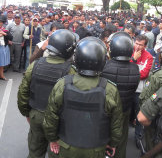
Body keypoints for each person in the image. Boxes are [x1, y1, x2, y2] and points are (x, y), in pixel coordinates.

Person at [42, 37, 123, 158]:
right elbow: (116, 123)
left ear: (76, 59)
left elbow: (50, 118)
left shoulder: (62, 84)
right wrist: (113, 143)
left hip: (66, 145)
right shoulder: (110, 89)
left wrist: (52, 139)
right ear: (102, 61)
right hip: (96, 148)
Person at [17, 29, 77, 158]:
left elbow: (23, 93)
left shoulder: (35, 65)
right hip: (58, 120)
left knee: (35, 151)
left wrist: (27, 113)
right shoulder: (71, 71)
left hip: (36, 115)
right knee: (55, 152)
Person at [101, 32, 140, 158]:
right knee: (121, 140)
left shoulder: (105, 67)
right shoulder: (135, 69)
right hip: (125, 110)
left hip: (106, 111)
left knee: (103, 138)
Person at [130, 34, 153, 147]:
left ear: (145, 46)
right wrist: (133, 59)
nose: (138, 47)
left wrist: (132, 68)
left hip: (139, 91)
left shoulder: (148, 56)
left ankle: (138, 137)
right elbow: (125, 69)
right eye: (136, 43)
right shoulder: (129, 52)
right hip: (128, 89)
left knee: (139, 115)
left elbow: (144, 74)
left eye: (140, 45)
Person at [0, 15, 12, 80]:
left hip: (2, 48)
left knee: (1, 63)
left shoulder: (5, 30)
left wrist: (4, 34)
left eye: (1, 22)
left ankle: (1, 75)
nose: (0, 23)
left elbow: (11, 37)